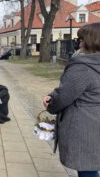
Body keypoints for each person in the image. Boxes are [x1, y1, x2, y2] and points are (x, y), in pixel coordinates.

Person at [43, 23, 100, 177]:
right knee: (92, 165)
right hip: (95, 123)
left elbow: (64, 96)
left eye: (80, 39)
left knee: (87, 168)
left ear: (89, 41)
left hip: (84, 127)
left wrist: (50, 103)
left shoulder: (83, 67)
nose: (78, 43)